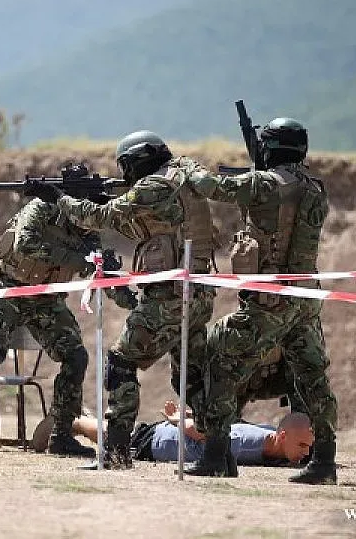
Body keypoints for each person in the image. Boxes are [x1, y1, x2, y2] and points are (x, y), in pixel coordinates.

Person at [24, 131, 219, 469]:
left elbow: (103, 219)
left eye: (127, 167)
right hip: (198, 293)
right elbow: (144, 227)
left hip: (170, 297)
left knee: (121, 362)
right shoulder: (182, 181)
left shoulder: (153, 187)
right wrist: (100, 201)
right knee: (193, 374)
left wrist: (57, 197)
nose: (126, 175)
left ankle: (115, 454)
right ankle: (219, 455)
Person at [186, 117, 339, 483]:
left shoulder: (262, 184)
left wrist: (187, 168)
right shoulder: (316, 189)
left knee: (221, 360)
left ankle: (217, 454)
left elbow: (211, 187)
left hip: (269, 301)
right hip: (304, 300)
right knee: (313, 378)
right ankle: (325, 462)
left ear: (269, 149)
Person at [0, 188, 137, 457]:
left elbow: (100, 273)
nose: (90, 222)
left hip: (46, 300)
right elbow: (26, 243)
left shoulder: (89, 234)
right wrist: (78, 259)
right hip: (9, 291)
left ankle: (61, 436)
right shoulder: (43, 208)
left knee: (76, 357)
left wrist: (128, 296)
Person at [35, 401, 313, 467]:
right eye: (301, 445)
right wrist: (177, 418)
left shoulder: (271, 440)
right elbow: (204, 434)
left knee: (117, 433)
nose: (305, 452)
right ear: (283, 435)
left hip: (169, 438)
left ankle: (82, 415)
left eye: (308, 448)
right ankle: (71, 420)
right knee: (113, 436)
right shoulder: (255, 442)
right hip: (162, 442)